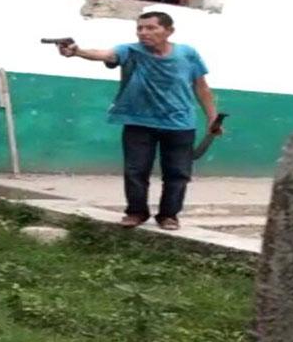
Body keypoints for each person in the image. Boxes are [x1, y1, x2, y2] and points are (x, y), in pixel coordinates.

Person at [58, 12, 220, 230]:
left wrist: (212, 118)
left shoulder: (187, 54)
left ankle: (169, 215)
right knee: (136, 171)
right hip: (138, 121)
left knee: (178, 173)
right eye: (140, 28)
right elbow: (106, 55)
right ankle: (136, 212)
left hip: (180, 123)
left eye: (151, 28)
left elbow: (201, 87)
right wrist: (77, 51)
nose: (143, 33)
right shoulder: (130, 51)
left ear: (169, 31)